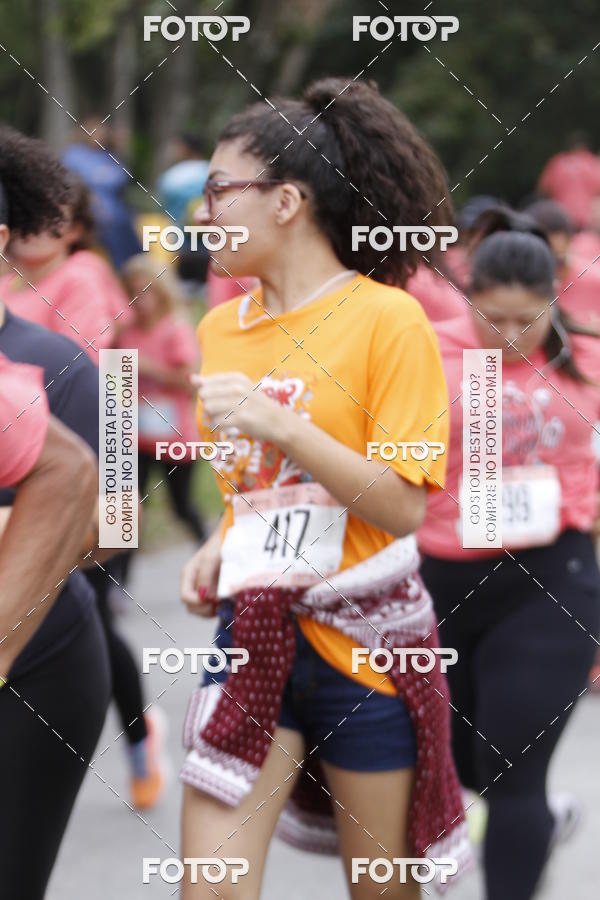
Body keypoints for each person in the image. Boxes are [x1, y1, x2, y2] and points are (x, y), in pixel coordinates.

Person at [179, 77, 472, 899]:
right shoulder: (216, 331)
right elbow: (257, 490)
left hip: (369, 653)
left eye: (218, 191)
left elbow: (403, 504)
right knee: (208, 890)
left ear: (286, 201)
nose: (203, 214)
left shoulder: (388, 320)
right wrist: (216, 542)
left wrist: (289, 426)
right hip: (255, 633)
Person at [417, 209, 600, 900]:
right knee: (464, 764)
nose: (513, 335)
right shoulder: (423, 347)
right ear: (469, 297)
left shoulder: (585, 358)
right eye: (495, 318)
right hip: (441, 579)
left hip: (552, 578)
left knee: (514, 771)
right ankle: (537, 825)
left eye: (530, 320)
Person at [0, 353, 110, 900]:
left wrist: (14, 529)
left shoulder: (88, 359)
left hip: (47, 653)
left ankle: (141, 743)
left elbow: (122, 526)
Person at [0, 131, 132, 360]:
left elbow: (99, 365)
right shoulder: (7, 283)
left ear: (75, 230)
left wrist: (119, 395)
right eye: (25, 213)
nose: (32, 227)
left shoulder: (82, 274)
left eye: (51, 218)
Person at [117, 254, 206, 543]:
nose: (139, 300)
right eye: (133, 292)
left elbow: (191, 382)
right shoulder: (126, 332)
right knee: (127, 512)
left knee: (181, 507)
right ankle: (116, 583)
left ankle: (212, 558)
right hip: (136, 438)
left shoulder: (174, 329)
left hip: (175, 438)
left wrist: (148, 368)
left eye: (145, 292)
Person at [62, 119, 142, 269]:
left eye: (102, 132)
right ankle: (119, 269)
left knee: (129, 231)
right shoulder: (74, 155)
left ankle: (131, 270)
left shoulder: (109, 155)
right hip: (92, 212)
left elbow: (122, 180)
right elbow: (73, 184)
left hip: (118, 212)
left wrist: (121, 147)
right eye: (95, 131)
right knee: (108, 223)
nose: (99, 136)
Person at [538, 137, 600, 230]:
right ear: (585, 148)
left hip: (561, 218)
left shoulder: (557, 162)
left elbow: (542, 190)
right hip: (587, 220)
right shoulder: (592, 163)